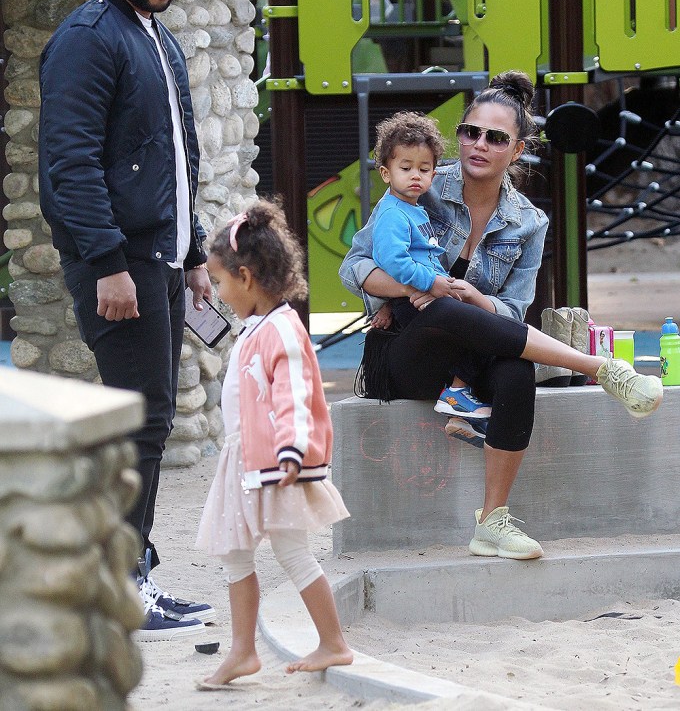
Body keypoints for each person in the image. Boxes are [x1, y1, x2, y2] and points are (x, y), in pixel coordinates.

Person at [340, 71, 663, 560]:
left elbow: (511, 311)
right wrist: (421, 285)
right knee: (445, 309)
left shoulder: (528, 221)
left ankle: (492, 521)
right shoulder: (420, 182)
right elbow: (354, 267)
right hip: (408, 360)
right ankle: (602, 369)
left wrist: (470, 295)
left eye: (495, 138)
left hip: (472, 361)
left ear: (517, 150)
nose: (478, 144)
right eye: (470, 132)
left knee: (515, 369)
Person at [38, 0, 214, 640]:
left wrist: (197, 251)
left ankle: (133, 574)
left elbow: (172, 159)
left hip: (162, 260)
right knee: (138, 425)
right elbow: (67, 165)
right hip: (122, 263)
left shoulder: (155, 34)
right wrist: (108, 262)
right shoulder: (89, 37)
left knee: (151, 423)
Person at [195, 201, 353, 689]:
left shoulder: (282, 329)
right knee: (235, 553)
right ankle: (243, 651)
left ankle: (332, 643)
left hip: (274, 462)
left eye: (220, 283)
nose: (219, 293)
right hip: (245, 460)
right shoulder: (258, 326)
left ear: (245, 277)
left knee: (292, 551)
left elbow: (296, 396)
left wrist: (291, 450)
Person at [369, 111, 491, 424]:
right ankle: (457, 393)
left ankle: (459, 394)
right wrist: (430, 284)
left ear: (433, 175)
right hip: (417, 298)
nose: (415, 175)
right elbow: (392, 260)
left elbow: (426, 256)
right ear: (386, 173)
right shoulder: (392, 214)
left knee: (476, 329)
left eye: (424, 169)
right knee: (475, 331)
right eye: (405, 168)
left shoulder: (415, 210)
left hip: (425, 292)